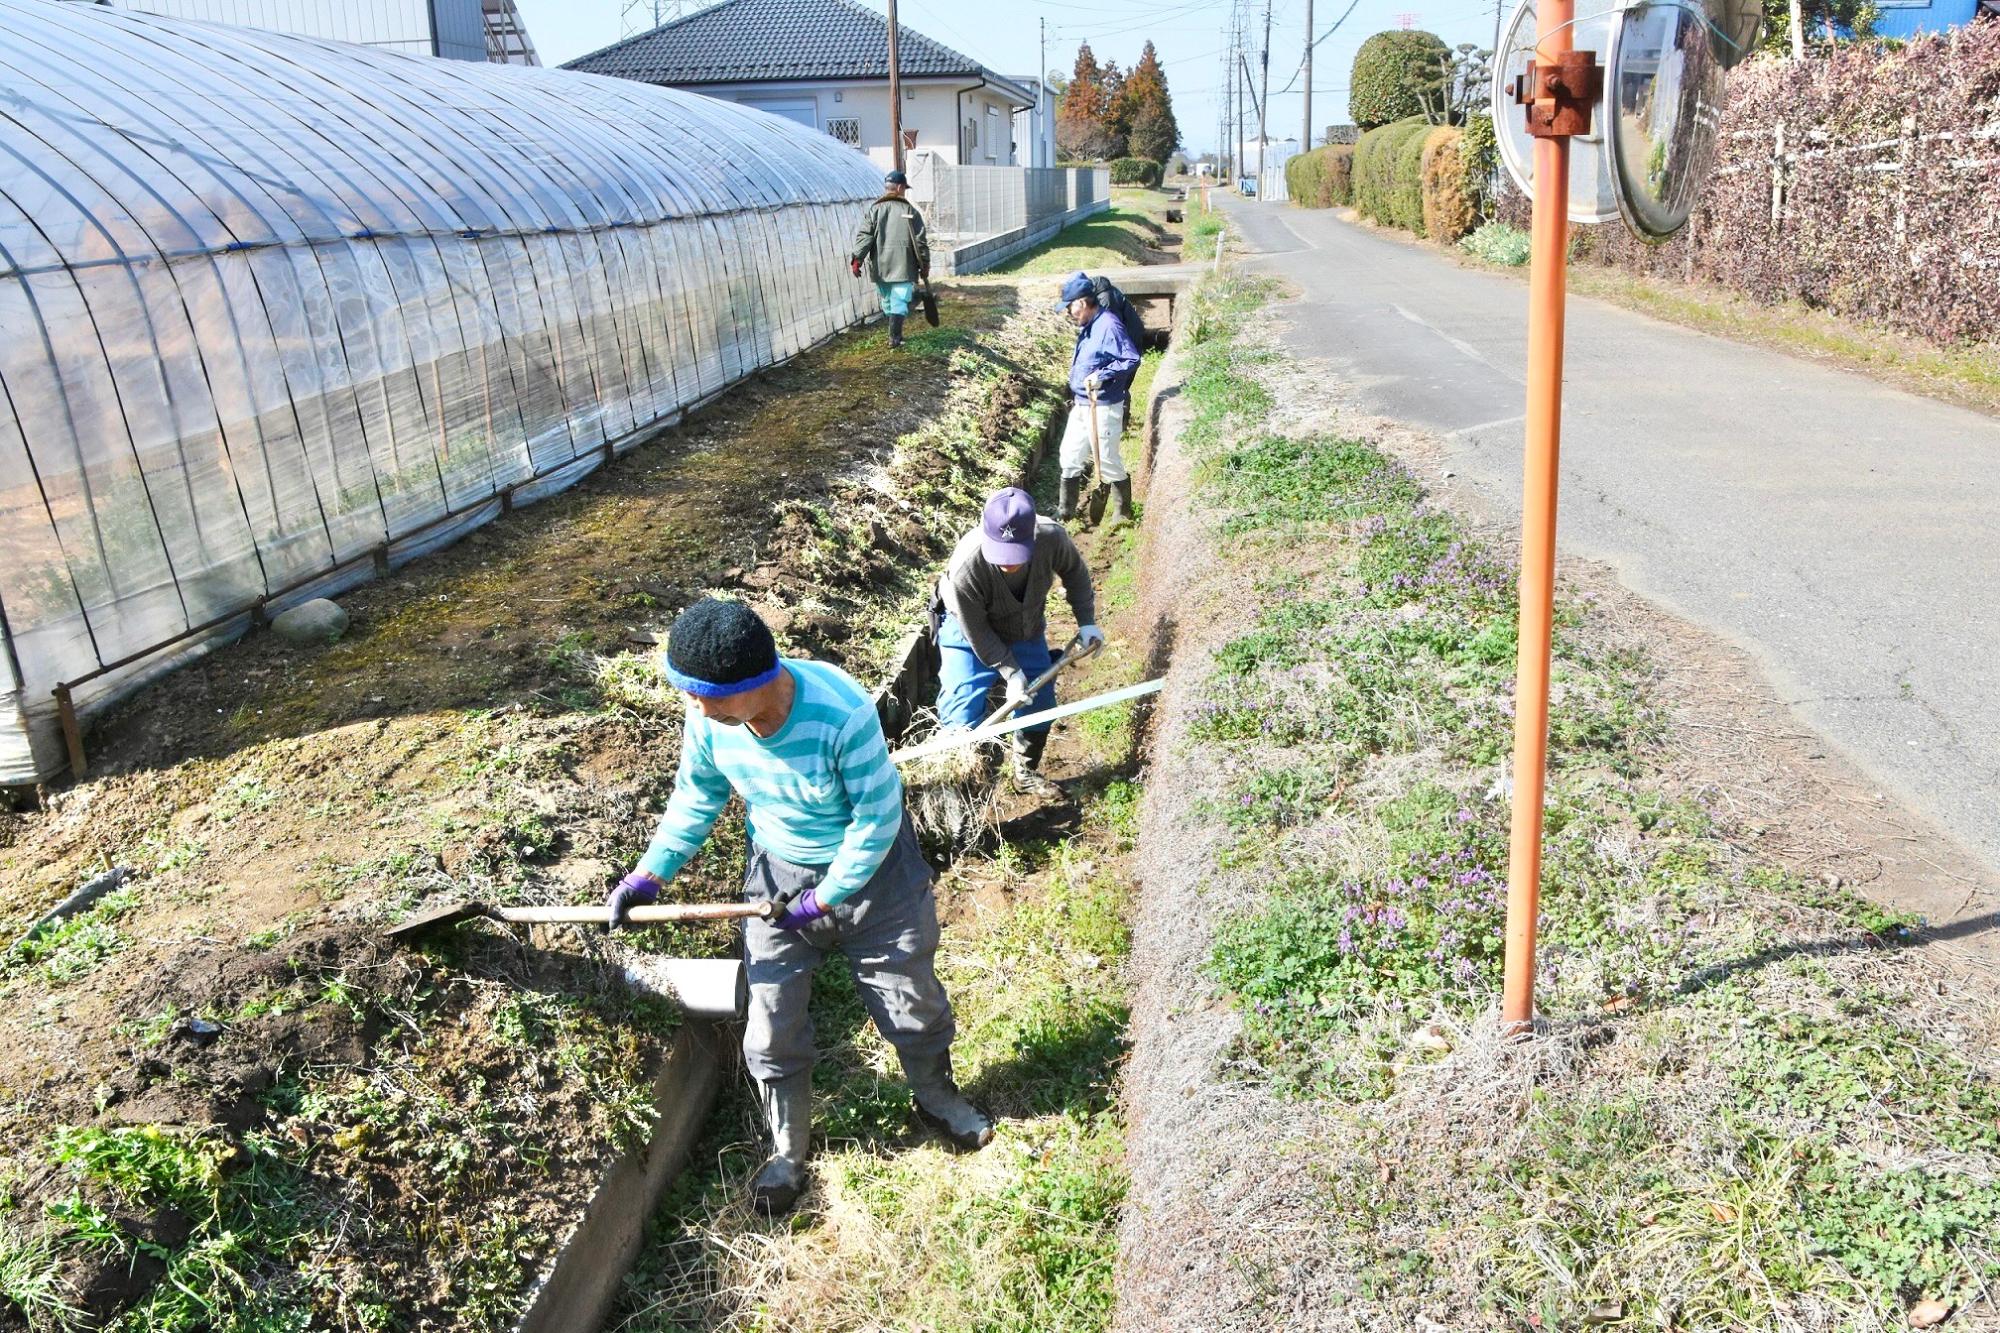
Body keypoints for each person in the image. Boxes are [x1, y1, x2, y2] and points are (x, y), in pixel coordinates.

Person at [605, 598, 991, 1217]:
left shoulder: (841, 712)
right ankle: (788, 1153)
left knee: (910, 999)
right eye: (690, 695)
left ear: (755, 683)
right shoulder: (708, 722)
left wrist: (827, 898)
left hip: (876, 878)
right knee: (772, 1021)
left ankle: (937, 1098)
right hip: (776, 876)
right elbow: (696, 797)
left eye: (707, 696)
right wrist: (650, 873)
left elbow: (876, 819)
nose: (696, 709)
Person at [934, 487, 1103, 797]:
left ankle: (1024, 772)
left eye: (1015, 556)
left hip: (1023, 626)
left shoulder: (1051, 537)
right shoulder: (966, 569)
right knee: (960, 714)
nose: (1007, 564)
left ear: (1032, 538)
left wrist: (1087, 622)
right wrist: (1011, 673)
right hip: (967, 634)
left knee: (1040, 701)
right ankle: (960, 796)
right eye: (1000, 554)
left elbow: (1075, 572)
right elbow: (978, 632)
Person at [1056, 270, 1142, 525]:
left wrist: (1102, 375)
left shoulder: (1108, 326)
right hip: (1083, 403)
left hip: (1103, 404)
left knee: (1106, 458)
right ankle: (1066, 511)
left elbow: (1131, 358)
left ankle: (1122, 511)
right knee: (1069, 454)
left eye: (1070, 306)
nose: (1068, 312)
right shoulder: (1089, 326)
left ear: (1082, 303)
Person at [850, 169, 930, 350]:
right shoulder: (910, 211)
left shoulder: (875, 210)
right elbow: (920, 240)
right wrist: (925, 263)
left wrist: (857, 259)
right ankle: (895, 336)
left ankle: (895, 337)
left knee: (890, 300)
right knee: (896, 301)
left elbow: (865, 236)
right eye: (905, 189)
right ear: (900, 187)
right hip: (904, 265)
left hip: (881, 266)